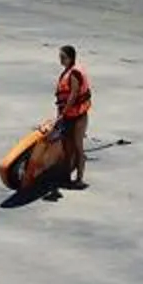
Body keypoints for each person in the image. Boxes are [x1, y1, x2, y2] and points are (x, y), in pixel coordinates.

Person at [53, 44, 94, 189]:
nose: (61, 60)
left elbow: (73, 95)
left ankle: (79, 179)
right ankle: (66, 177)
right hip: (68, 115)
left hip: (78, 116)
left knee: (77, 146)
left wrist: (63, 113)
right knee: (67, 147)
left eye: (63, 57)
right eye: (60, 57)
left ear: (71, 58)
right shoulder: (67, 72)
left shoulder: (74, 73)